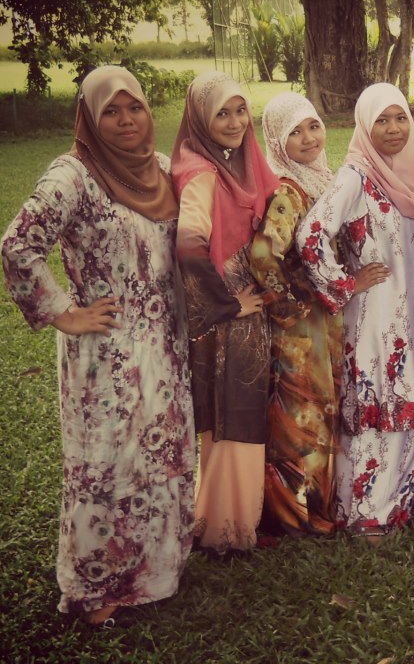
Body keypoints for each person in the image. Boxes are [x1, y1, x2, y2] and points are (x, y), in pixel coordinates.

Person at [1, 66, 194, 625]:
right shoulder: (73, 176)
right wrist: (63, 311)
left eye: (134, 107)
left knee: (161, 458)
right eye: (111, 110)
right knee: (107, 468)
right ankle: (95, 588)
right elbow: (18, 245)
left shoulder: (163, 170)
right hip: (106, 355)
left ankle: (155, 573)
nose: (126, 120)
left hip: (165, 347)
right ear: (89, 117)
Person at [297, 83, 414, 542]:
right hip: (375, 316)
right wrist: (346, 283)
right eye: (382, 120)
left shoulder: (413, 177)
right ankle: (366, 513)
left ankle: (402, 505)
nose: (393, 129)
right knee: (378, 404)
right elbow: (311, 235)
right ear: (364, 126)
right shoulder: (356, 175)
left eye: (400, 118)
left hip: (413, 316)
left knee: (407, 399)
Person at [172, 71, 279, 556]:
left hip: (242, 305)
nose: (235, 122)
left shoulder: (236, 160)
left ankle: (230, 519)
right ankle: (226, 529)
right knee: (234, 412)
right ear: (200, 119)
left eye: (240, 110)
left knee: (239, 411)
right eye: (222, 114)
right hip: (232, 311)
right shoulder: (203, 172)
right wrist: (228, 304)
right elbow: (190, 247)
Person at [250, 92, 343, 536]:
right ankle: (294, 515)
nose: (308, 138)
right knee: (301, 418)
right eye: (295, 132)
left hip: (322, 321)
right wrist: (291, 307)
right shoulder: (288, 190)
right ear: (276, 140)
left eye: (313, 126)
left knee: (319, 410)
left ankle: (317, 506)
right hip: (302, 325)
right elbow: (263, 255)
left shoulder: (321, 178)